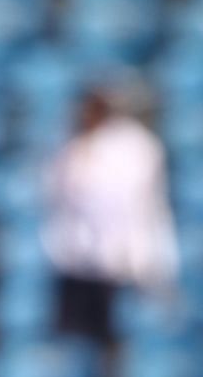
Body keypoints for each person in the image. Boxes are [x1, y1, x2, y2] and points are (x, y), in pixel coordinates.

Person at [41, 87, 178, 341]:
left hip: (126, 261)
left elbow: (130, 203)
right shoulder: (74, 147)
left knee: (125, 335)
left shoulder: (134, 147)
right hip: (81, 262)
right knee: (80, 337)